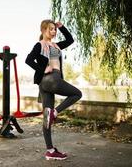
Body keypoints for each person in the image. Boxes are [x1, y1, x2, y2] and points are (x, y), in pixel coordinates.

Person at [25, 19, 82, 160]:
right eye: (51, 29)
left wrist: (62, 27)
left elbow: (70, 40)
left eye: (54, 29)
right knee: (77, 93)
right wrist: (43, 68)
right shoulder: (40, 45)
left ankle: (50, 151)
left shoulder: (56, 45)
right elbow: (28, 59)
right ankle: (55, 112)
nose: (54, 31)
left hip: (46, 84)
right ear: (43, 30)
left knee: (46, 118)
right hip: (51, 79)